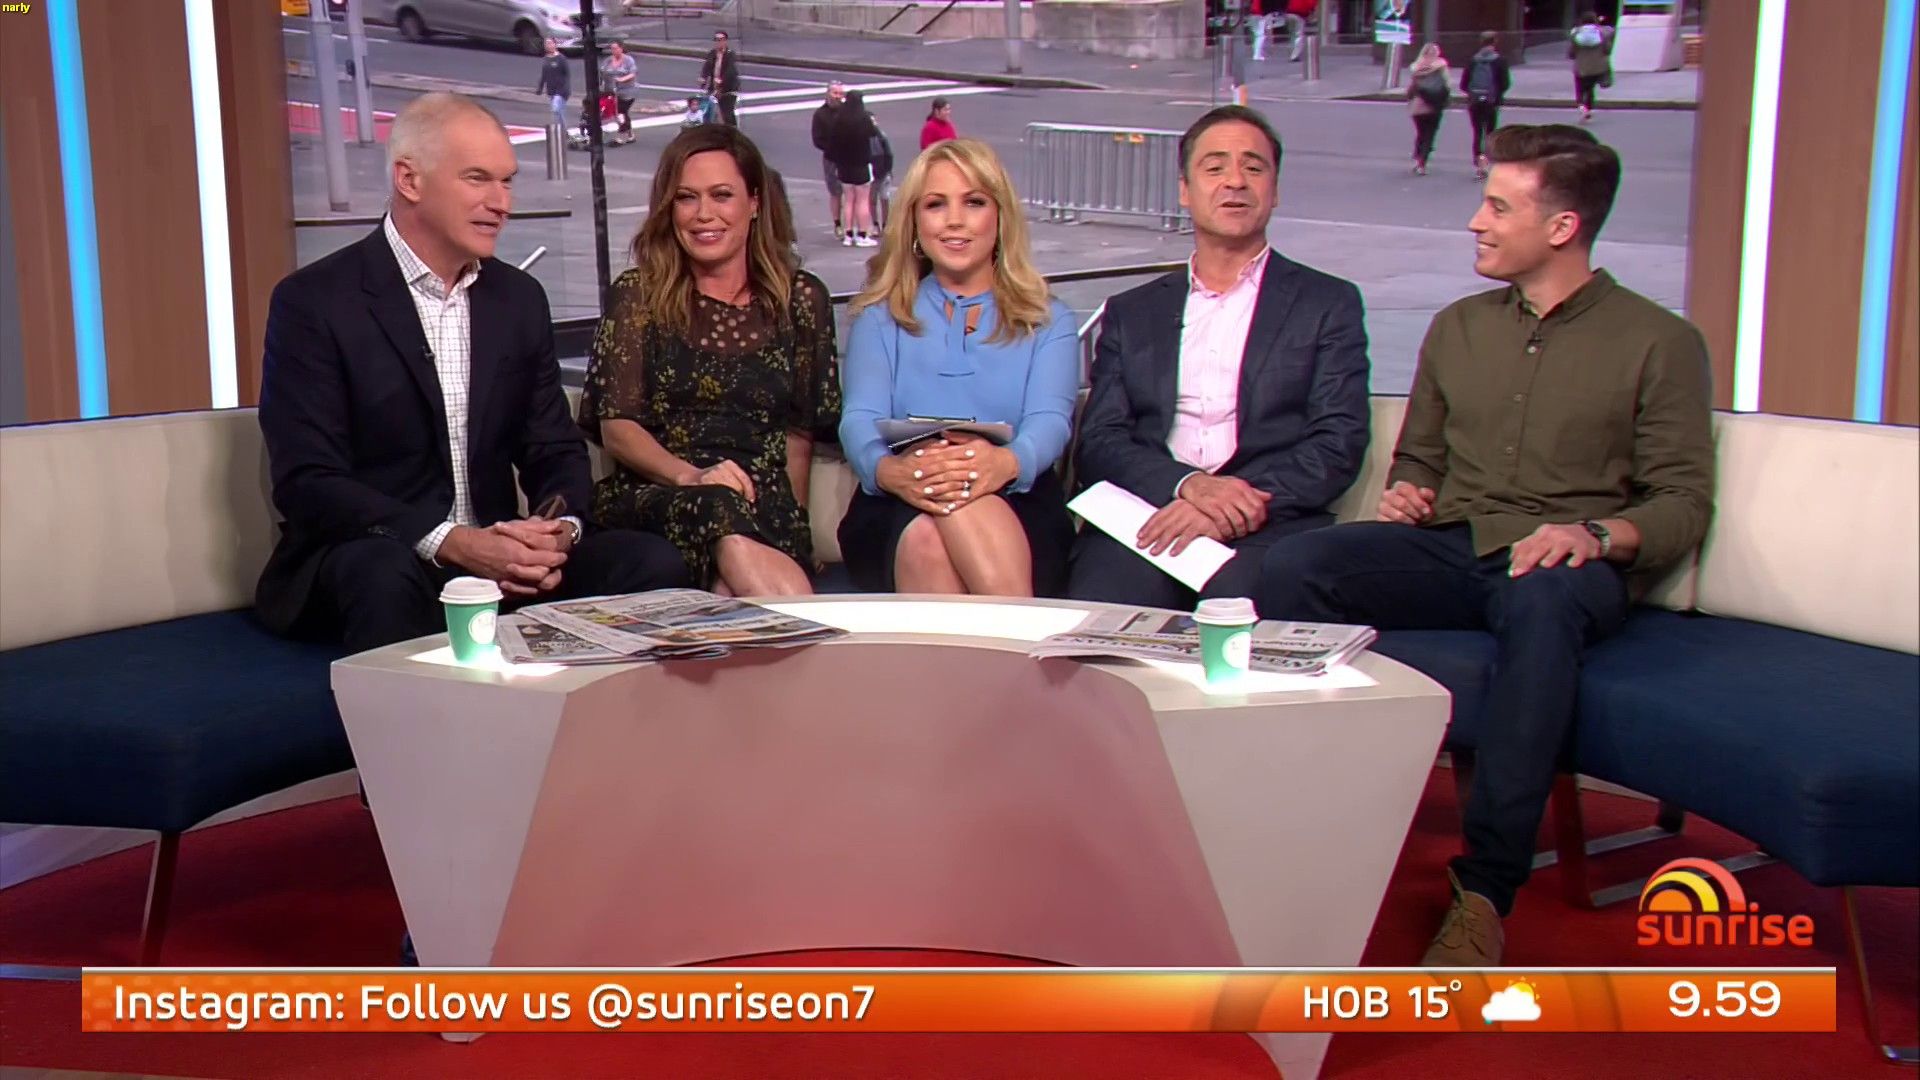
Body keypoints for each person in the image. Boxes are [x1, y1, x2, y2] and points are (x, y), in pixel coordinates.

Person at [1248, 125, 1715, 966]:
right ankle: (1307, 823)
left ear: (1562, 227)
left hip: (1568, 562)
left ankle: (1485, 893)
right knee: (1293, 566)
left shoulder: (1659, 341)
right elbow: (1421, 457)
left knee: (1542, 603)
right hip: (1457, 546)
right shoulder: (1458, 326)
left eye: (1499, 207)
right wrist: (1409, 490)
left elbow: (1682, 503)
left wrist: (1594, 533)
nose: (1476, 221)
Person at [255, 92, 688, 654]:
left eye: (506, 182)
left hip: (498, 562)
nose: (501, 203)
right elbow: (309, 481)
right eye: (478, 179)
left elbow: (554, 448)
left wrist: (554, 533)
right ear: (409, 180)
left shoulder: (518, 299)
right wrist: (454, 543)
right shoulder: (316, 302)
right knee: (381, 576)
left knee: (651, 562)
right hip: (385, 553)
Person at [1067, 105, 1371, 612]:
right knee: (1106, 616)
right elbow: (1100, 440)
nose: (1235, 181)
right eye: (1215, 168)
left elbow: (1338, 442)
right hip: (1150, 515)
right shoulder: (1132, 312)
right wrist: (1186, 487)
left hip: (1270, 525)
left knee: (1236, 615)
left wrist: (1229, 507)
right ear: (1185, 191)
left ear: (1275, 189)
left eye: (1253, 167)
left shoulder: (1326, 303)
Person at [579, 125, 841, 596]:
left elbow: (798, 434)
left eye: (722, 195)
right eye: (686, 198)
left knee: (730, 581)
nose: (704, 214)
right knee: (718, 510)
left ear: (754, 202)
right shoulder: (639, 295)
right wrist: (692, 476)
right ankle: (810, 635)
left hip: (761, 496)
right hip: (661, 491)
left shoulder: (802, 299)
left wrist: (796, 527)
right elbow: (618, 428)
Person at [838, 138, 1079, 597]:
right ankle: (1015, 640)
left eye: (973, 202)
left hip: (1016, 492)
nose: (954, 220)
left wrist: (1002, 463)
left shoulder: (1049, 320)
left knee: (950, 515)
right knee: (928, 534)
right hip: (899, 492)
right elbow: (860, 418)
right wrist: (889, 472)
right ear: (914, 221)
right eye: (935, 204)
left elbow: (1050, 421)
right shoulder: (878, 317)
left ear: (1000, 217)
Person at [827, 89, 881, 248]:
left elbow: (832, 141)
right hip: (861, 164)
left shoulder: (839, 119)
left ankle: (848, 235)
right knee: (862, 200)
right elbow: (874, 133)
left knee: (849, 200)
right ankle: (863, 234)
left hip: (844, 165)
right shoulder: (864, 118)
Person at [1461, 30, 1511, 179]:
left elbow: (1464, 84)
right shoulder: (1500, 60)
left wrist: (1473, 93)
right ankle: (1487, 162)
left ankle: (1479, 163)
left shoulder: (1473, 60)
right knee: (1490, 132)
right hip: (1491, 101)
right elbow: (1505, 83)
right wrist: (1497, 94)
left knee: (1477, 133)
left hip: (1475, 101)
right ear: (1495, 42)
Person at [1406, 42, 1450, 176]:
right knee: (1430, 134)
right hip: (1434, 104)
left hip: (1418, 104)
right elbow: (1447, 84)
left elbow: (1411, 88)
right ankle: (1422, 163)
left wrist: (1409, 99)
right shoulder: (1441, 65)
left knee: (1421, 132)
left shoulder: (1416, 67)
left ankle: (1417, 157)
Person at [812, 82, 848, 238]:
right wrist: (832, 147)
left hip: (848, 158)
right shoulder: (820, 114)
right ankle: (837, 224)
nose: (838, 97)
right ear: (828, 94)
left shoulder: (847, 111)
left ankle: (850, 225)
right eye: (835, 93)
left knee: (851, 192)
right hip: (831, 159)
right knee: (835, 192)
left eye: (840, 94)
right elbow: (817, 139)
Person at [1569, 11, 1615, 122]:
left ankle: (1582, 107)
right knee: (1590, 89)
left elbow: (1572, 53)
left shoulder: (1575, 34)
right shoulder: (1602, 33)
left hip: (1581, 67)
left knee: (1580, 89)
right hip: (1597, 66)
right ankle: (1588, 108)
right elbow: (1607, 50)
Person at [701, 30, 743, 127]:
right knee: (711, 111)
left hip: (728, 89)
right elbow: (707, 67)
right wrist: (703, 78)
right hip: (715, 88)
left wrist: (721, 80)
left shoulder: (730, 54)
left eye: (720, 40)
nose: (718, 42)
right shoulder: (712, 53)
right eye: (716, 40)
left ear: (725, 41)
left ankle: (732, 129)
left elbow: (730, 70)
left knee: (727, 113)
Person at [602, 41, 638, 144]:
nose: (613, 50)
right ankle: (630, 134)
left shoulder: (628, 60)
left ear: (621, 48)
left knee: (621, 112)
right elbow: (603, 72)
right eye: (612, 48)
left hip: (627, 91)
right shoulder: (608, 60)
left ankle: (621, 135)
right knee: (621, 113)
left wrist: (622, 79)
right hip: (612, 91)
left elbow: (633, 73)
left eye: (615, 48)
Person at [536, 37, 569, 130]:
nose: (548, 45)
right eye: (546, 44)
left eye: (550, 43)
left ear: (555, 44)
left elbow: (566, 74)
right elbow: (544, 74)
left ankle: (562, 130)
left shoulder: (561, 58)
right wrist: (540, 88)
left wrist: (565, 89)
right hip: (551, 90)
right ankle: (563, 130)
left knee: (556, 109)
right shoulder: (545, 59)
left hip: (561, 90)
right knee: (559, 113)